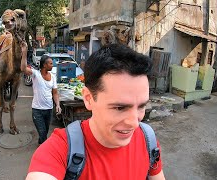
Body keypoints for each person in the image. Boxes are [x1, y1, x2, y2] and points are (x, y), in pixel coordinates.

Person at [26, 44, 165, 180]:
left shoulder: (148, 141)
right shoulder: (60, 150)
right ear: (88, 98)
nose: (134, 123)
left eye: (141, 106)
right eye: (120, 108)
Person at [21, 42, 62, 145]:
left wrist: (57, 105)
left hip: (48, 109)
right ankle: (44, 153)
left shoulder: (52, 76)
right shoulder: (35, 74)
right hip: (37, 110)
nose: (52, 65)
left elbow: (55, 93)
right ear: (44, 65)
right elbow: (23, 68)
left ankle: (41, 141)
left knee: (45, 132)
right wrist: (24, 52)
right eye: (50, 63)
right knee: (43, 133)